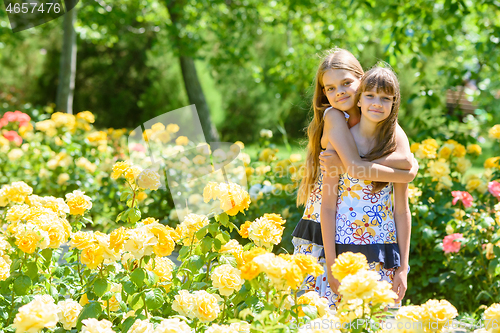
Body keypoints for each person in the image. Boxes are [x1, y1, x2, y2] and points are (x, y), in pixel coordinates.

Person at [292, 48, 414, 308]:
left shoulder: (390, 131)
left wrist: (404, 266)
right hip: (333, 240)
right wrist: (405, 173)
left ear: (362, 78)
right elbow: (355, 171)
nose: (340, 92)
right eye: (330, 88)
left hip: (379, 245)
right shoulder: (334, 117)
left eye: (347, 83)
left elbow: (402, 206)